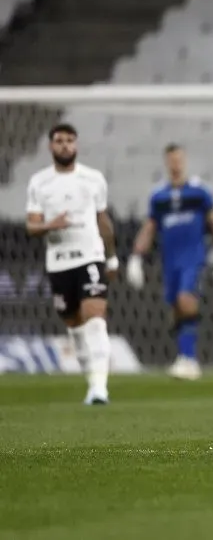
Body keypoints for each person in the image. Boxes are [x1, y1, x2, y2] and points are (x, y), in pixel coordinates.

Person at [25, 123, 119, 405]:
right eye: (59, 141)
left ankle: (100, 388)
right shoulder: (39, 183)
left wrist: (111, 257)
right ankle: (91, 382)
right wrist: (49, 225)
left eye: (69, 140)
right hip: (58, 262)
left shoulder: (93, 179)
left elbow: (103, 220)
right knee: (75, 327)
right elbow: (31, 226)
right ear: (50, 146)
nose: (65, 145)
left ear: (76, 145)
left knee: (95, 320)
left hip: (90, 256)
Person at [126, 144, 213, 380]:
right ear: (167, 162)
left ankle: (190, 360)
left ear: (184, 161)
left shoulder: (199, 192)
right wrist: (136, 257)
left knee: (186, 300)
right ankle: (184, 356)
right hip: (170, 260)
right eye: (171, 160)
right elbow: (149, 227)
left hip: (193, 257)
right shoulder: (159, 197)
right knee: (176, 308)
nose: (175, 164)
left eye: (179, 159)